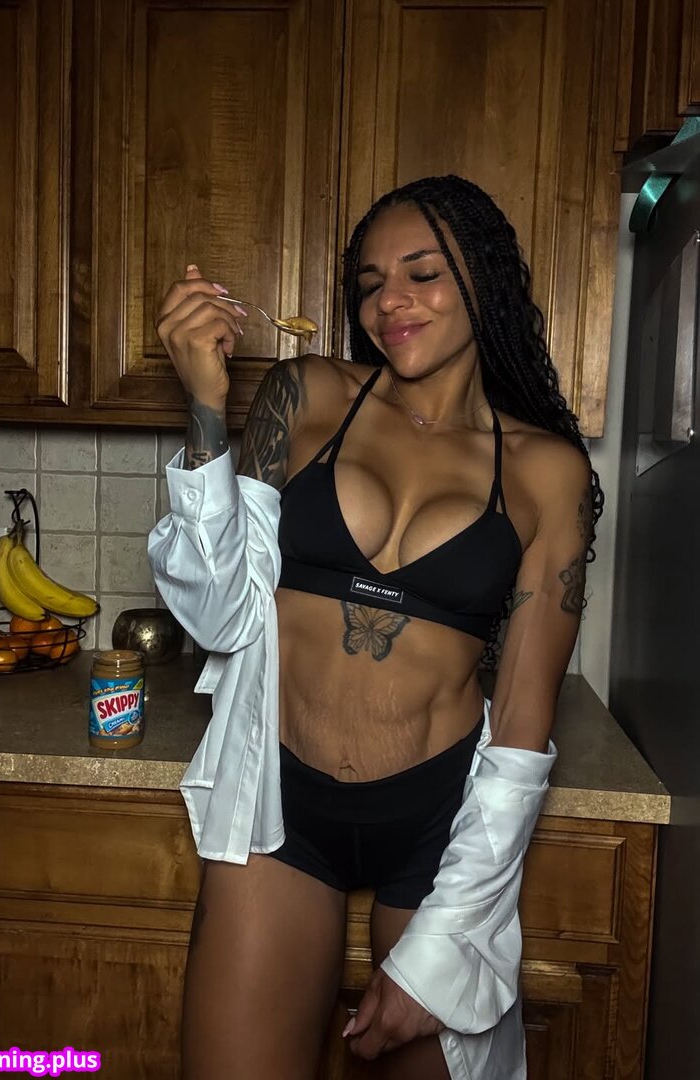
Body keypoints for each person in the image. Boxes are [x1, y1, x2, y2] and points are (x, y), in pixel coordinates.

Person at [148, 174, 602, 1080]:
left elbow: (521, 726)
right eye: (369, 283)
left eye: (422, 274)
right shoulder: (307, 397)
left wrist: (444, 952)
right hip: (279, 805)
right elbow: (217, 612)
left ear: (483, 282)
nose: (389, 300)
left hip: (440, 824)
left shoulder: (547, 471)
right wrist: (205, 407)